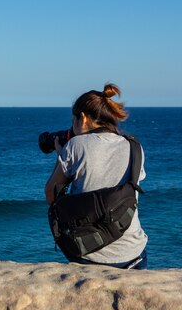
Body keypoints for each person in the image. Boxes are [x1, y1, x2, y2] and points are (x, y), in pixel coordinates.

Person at [45, 83, 148, 269]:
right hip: (134, 254)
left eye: (73, 120)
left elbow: (50, 195)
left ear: (83, 118)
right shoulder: (134, 147)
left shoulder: (75, 146)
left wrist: (61, 157)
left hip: (90, 255)